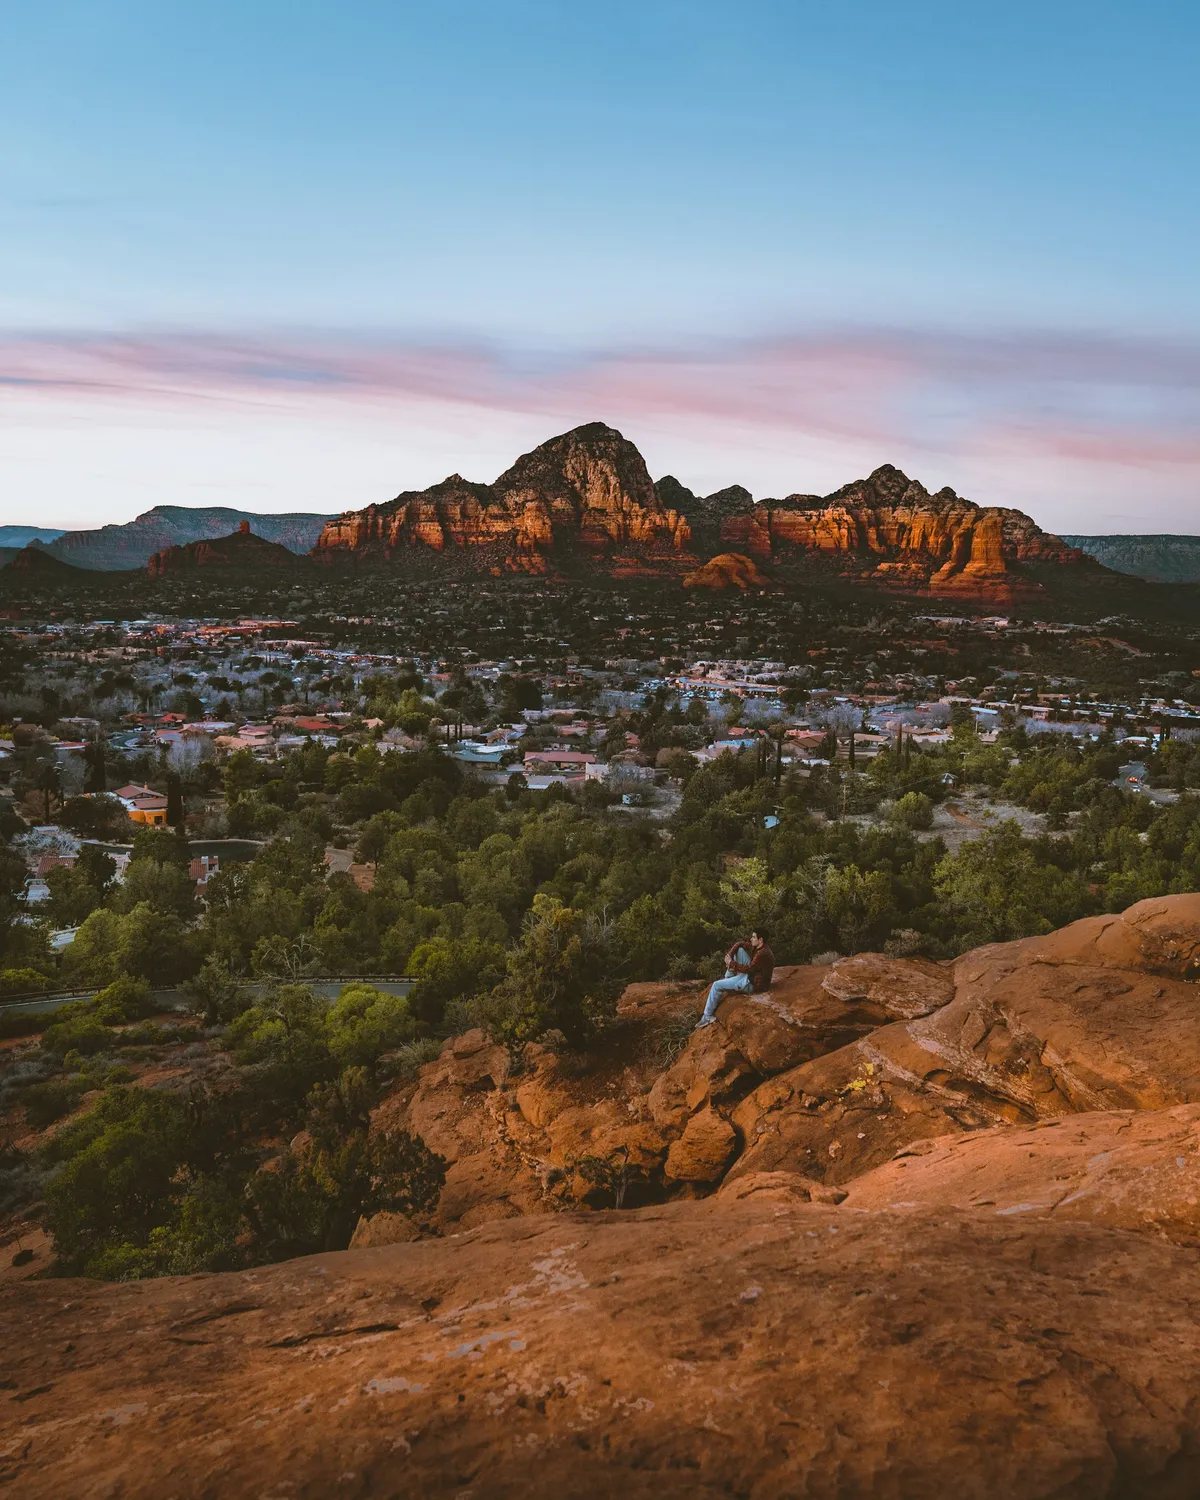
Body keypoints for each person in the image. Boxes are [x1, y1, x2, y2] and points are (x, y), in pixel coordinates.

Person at [695, 929, 774, 1028]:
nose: (751, 939)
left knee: (716, 985)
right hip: (752, 975)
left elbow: (748, 969)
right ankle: (729, 979)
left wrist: (731, 963)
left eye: (753, 937)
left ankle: (707, 1016)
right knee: (739, 950)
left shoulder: (762, 954)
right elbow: (739, 944)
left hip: (753, 983)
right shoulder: (758, 946)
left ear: (760, 939)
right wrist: (729, 955)